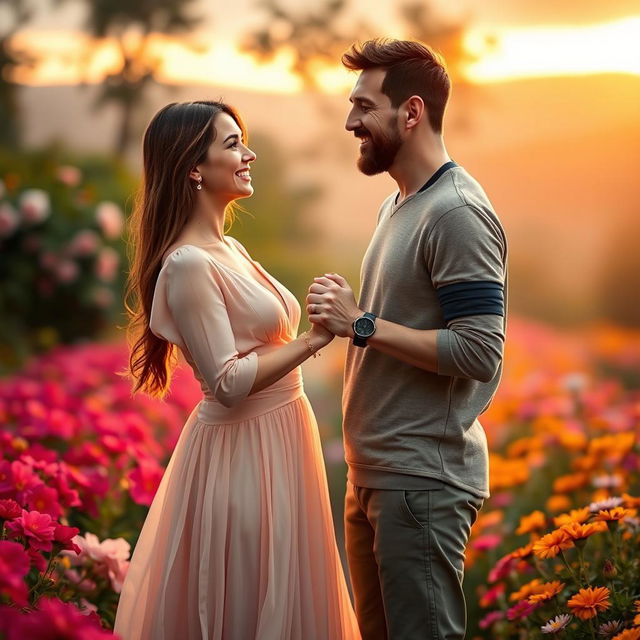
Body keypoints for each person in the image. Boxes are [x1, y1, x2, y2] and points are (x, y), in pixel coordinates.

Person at [114, 100, 360, 640]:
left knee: (288, 596)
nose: (247, 155)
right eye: (232, 144)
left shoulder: (230, 248)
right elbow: (226, 382)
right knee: (249, 601)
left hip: (285, 442)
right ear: (193, 168)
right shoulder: (188, 264)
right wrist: (317, 338)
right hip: (243, 456)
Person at [306, 39, 508, 639]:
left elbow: (479, 352)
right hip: (376, 475)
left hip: (421, 480)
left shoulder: (456, 213)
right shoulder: (397, 205)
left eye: (364, 106)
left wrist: (361, 324)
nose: (351, 121)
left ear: (411, 112)